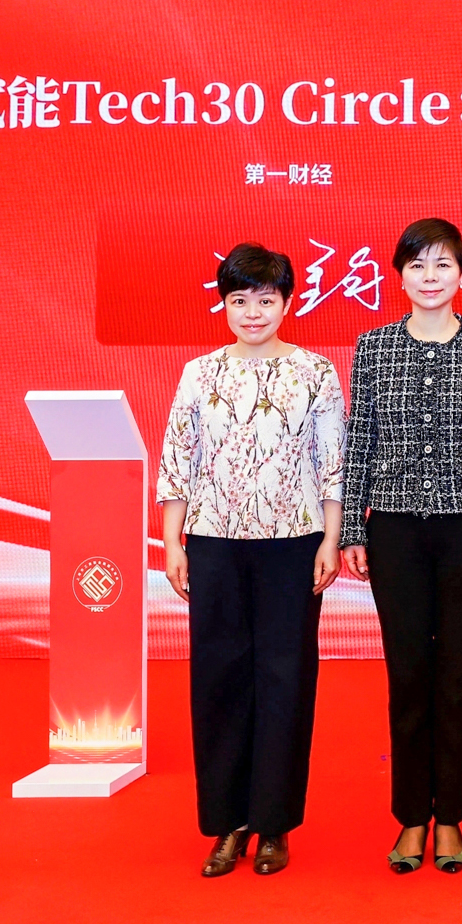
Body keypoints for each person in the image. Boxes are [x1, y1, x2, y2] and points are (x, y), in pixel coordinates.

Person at [158, 243, 346, 879]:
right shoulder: (199, 373)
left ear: (288, 302)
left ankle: (273, 824)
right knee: (219, 679)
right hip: (214, 542)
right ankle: (227, 824)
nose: (253, 313)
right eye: (239, 300)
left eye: (266, 300)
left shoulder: (316, 373)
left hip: (294, 543)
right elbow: (178, 460)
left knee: (285, 679)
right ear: (225, 305)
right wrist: (173, 541)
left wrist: (330, 539)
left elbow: (332, 463)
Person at [339, 218, 462, 875]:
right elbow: (360, 438)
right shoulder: (374, 347)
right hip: (395, 530)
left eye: (443, 265)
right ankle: (412, 816)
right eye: (417, 265)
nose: (430, 276)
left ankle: (451, 819)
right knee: (409, 675)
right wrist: (353, 527)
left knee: (457, 679)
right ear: (399, 276)